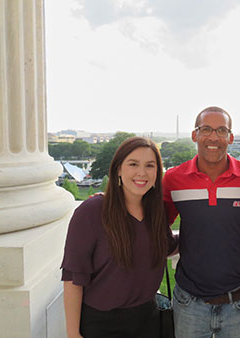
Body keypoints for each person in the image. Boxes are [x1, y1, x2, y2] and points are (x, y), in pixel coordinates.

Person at [61, 137, 177, 338]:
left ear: (157, 173)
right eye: (133, 164)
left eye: (150, 166)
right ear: (118, 169)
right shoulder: (92, 212)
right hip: (102, 325)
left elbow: (168, 246)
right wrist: (73, 333)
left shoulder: (156, 212)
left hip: (148, 320)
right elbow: (73, 277)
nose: (142, 173)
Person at [163, 106, 240, 338]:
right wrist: (110, 200)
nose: (214, 137)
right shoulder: (174, 179)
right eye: (206, 129)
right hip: (189, 304)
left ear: (231, 137)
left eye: (221, 130)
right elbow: (151, 223)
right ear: (195, 135)